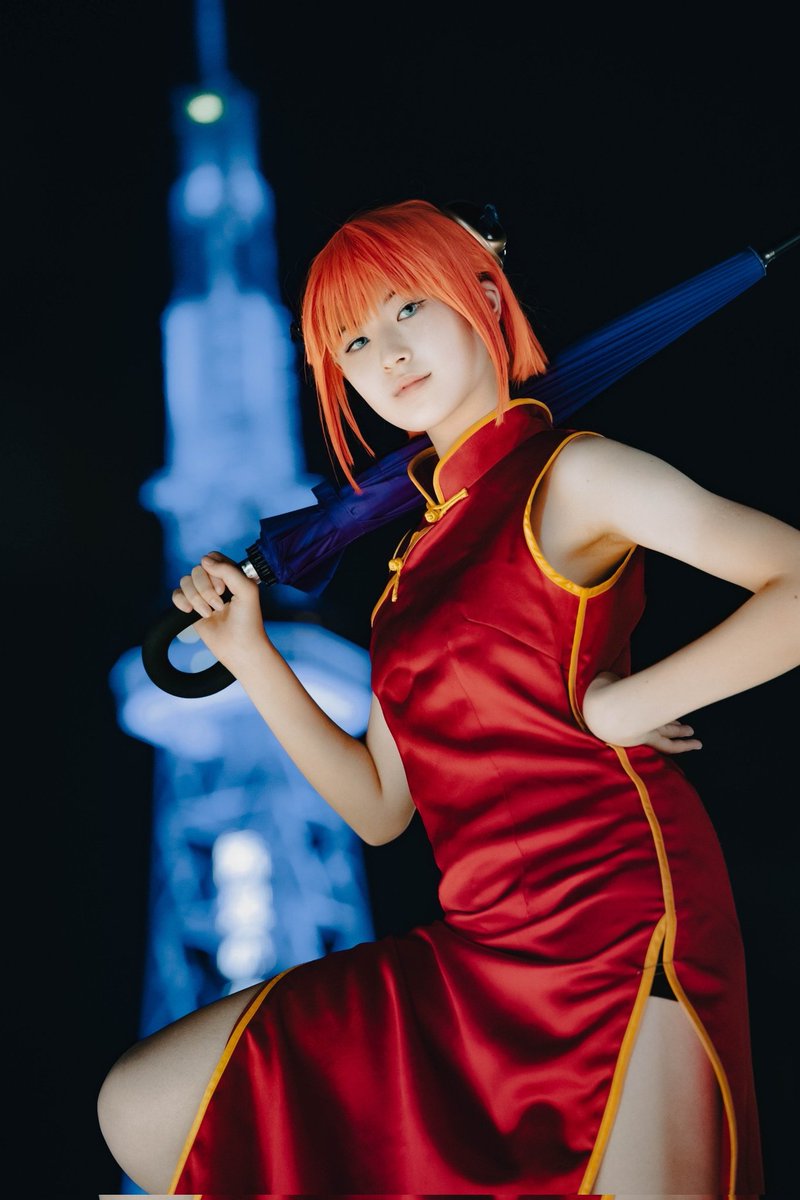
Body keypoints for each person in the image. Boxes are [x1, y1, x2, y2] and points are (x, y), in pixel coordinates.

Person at [97, 198, 797, 1198]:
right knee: (145, 1107)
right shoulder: (406, 575)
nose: (385, 353)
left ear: (484, 296)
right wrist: (250, 655)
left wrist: (618, 707)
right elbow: (382, 807)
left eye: (406, 309)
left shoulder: (573, 476)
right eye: (352, 341)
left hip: (615, 916)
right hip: (474, 947)